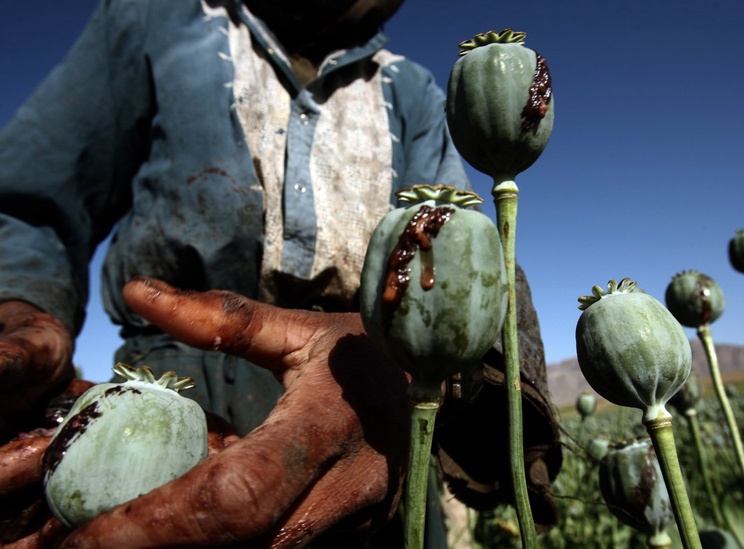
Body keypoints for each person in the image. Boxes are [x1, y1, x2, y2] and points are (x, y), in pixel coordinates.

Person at [0, 0, 562, 546]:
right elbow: (27, 204)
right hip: (169, 404)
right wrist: (18, 305)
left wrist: (400, 376)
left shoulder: (410, 89)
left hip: (377, 407)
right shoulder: (156, 22)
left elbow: (467, 259)